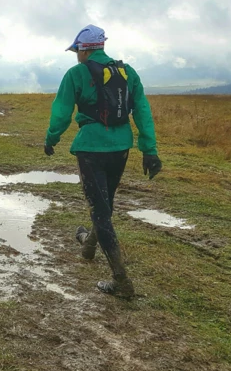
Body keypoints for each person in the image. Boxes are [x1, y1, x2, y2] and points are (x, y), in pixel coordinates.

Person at [44, 24, 162, 298]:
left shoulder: (76, 73)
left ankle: (121, 282)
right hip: (121, 147)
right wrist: (149, 150)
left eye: (77, 51)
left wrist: (51, 139)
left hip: (91, 149)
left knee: (100, 210)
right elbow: (142, 110)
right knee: (104, 202)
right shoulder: (127, 72)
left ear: (83, 49)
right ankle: (88, 246)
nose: (76, 56)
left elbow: (61, 112)